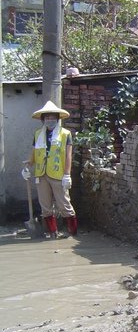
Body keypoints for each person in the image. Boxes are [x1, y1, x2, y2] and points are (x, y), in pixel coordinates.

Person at [21, 101, 78, 238]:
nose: (50, 120)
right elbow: (34, 153)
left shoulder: (65, 134)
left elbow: (68, 155)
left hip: (58, 174)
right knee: (45, 207)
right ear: (43, 119)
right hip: (41, 174)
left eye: (53, 117)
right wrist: (28, 166)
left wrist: (67, 175)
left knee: (64, 205)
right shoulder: (38, 134)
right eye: (47, 118)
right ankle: (53, 233)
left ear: (57, 119)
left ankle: (72, 233)